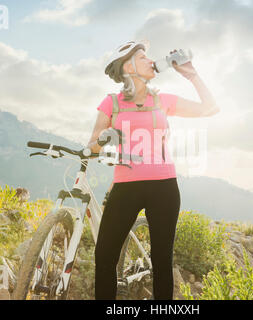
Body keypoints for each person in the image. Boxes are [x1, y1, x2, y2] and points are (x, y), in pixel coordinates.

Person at [87, 40, 219, 300]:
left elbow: (210, 108)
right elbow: (91, 146)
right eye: (143, 57)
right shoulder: (111, 103)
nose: (151, 61)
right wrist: (106, 137)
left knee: (161, 261)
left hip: (163, 187)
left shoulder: (163, 100)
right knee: (104, 258)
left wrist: (192, 74)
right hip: (125, 187)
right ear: (127, 66)